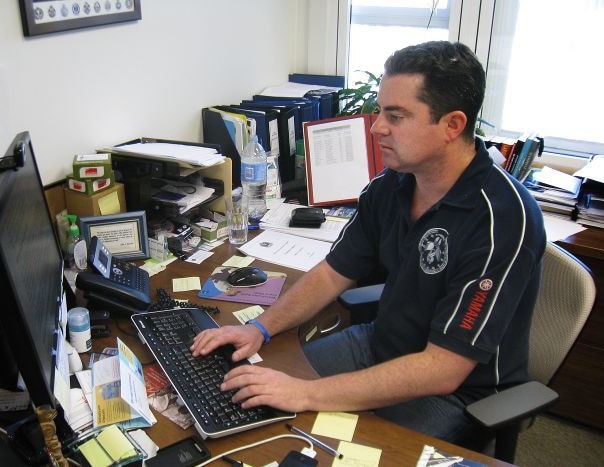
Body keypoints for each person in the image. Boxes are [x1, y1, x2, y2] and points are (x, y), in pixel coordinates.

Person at [191, 40, 546, 448]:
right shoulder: (392, 185)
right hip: (381, 344)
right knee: (244, 393)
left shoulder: (502, 218)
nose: (376, 126)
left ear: (452, 125)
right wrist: (260, 328)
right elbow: (332, 273)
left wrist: (304, 393)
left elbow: (444, 368)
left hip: (458, 390)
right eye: (380, 111)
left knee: (317, 445)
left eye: (396, 116)